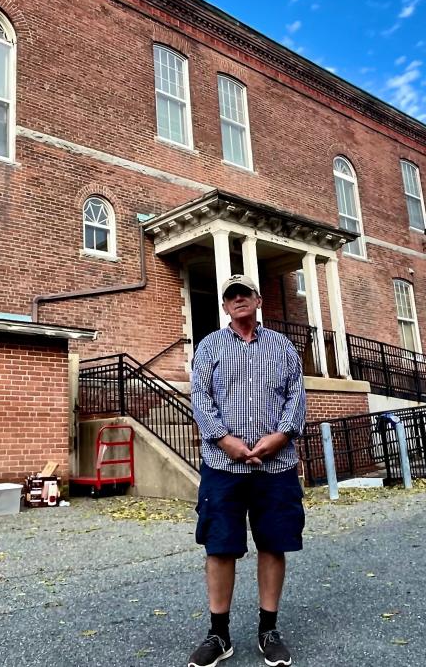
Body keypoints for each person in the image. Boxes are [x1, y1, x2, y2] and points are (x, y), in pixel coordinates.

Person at [187, 274, 307, 667]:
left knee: (273, 543)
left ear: (258, 300)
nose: (238, 299)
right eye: (230, 296)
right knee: (220, 546)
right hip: (223, 465)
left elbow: (296, 395)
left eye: (244, 293)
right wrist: (225, 440)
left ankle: (268, 629)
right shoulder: (210, 346)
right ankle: (219, 634)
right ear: (224, 306)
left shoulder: (283, 347)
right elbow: (200, 397)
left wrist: (282, 435)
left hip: (277, 465)